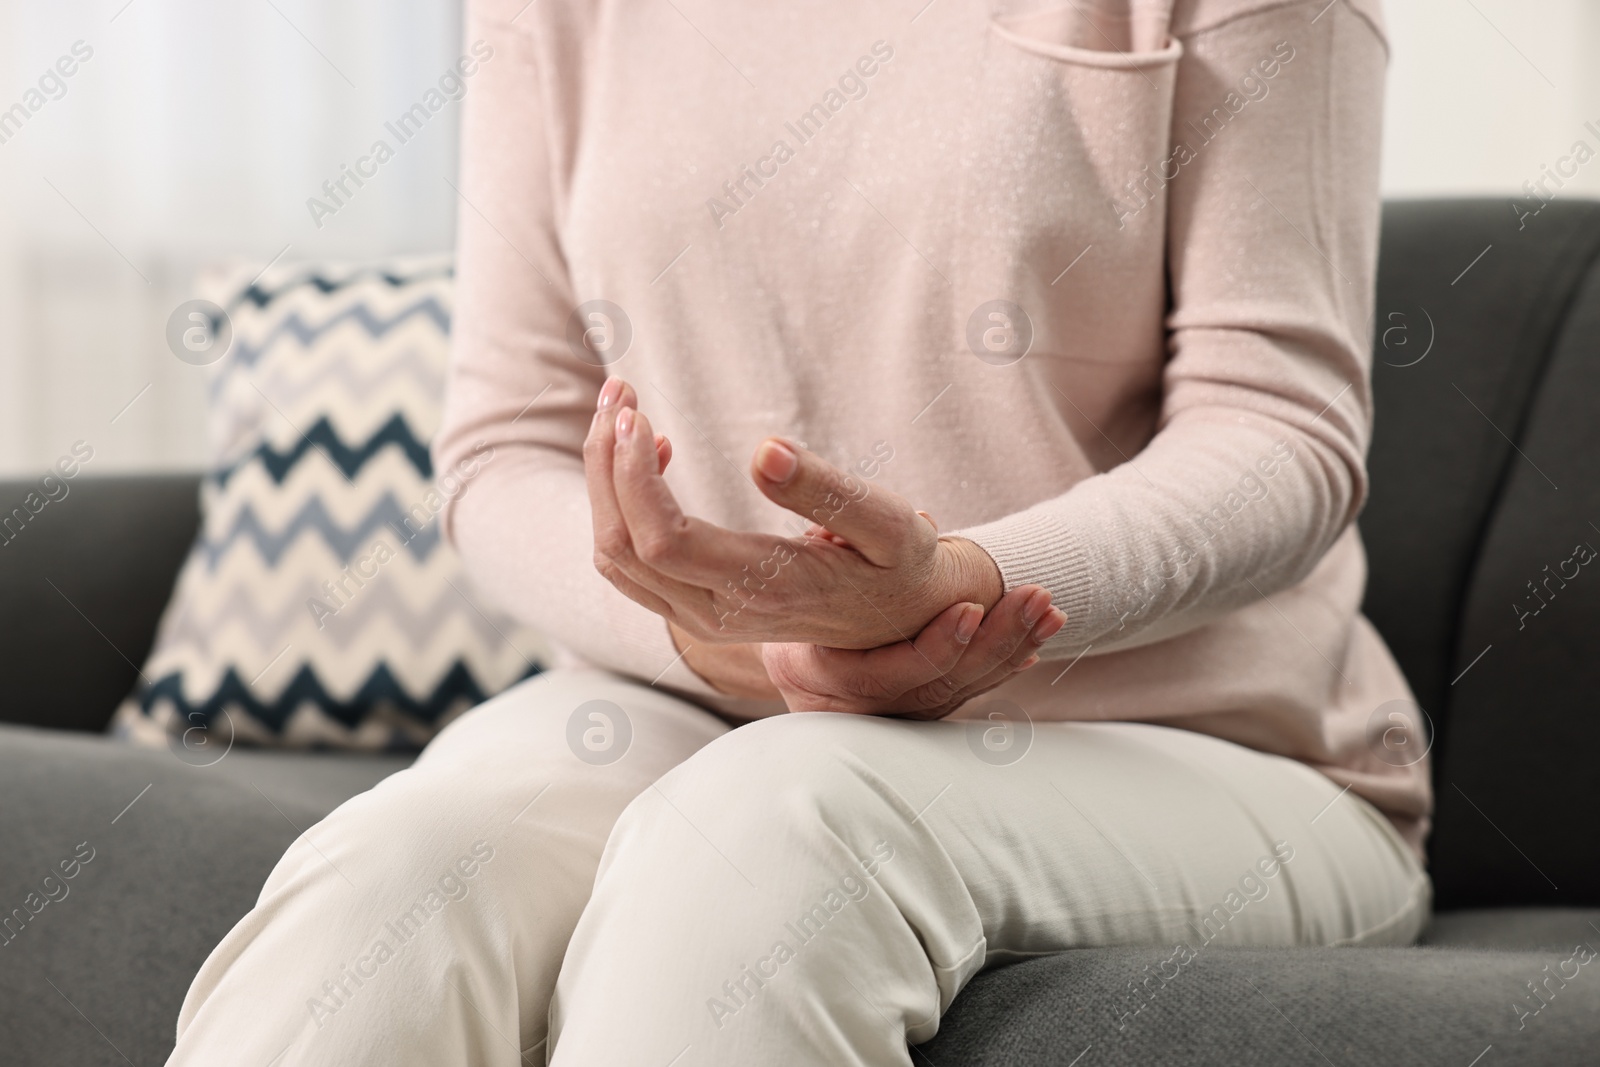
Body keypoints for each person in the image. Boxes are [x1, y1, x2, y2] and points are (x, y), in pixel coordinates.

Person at [167, 0, 1429, 1063]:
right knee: (402, 869)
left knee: (768, 832)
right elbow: (503, 444)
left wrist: (964, 592)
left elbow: (1281, 433)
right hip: (694, 694)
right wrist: (724, 636)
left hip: (1200, 745)